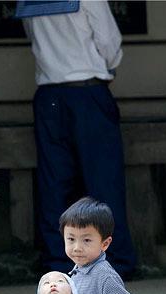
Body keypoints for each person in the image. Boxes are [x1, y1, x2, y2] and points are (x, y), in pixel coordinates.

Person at [18, 0, 137, 278]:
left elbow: (31, 35)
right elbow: (110, 43)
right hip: (88, 93)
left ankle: (58, 266)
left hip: (49, 94)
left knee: (54, 186)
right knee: (104, 183)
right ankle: (113, 264)